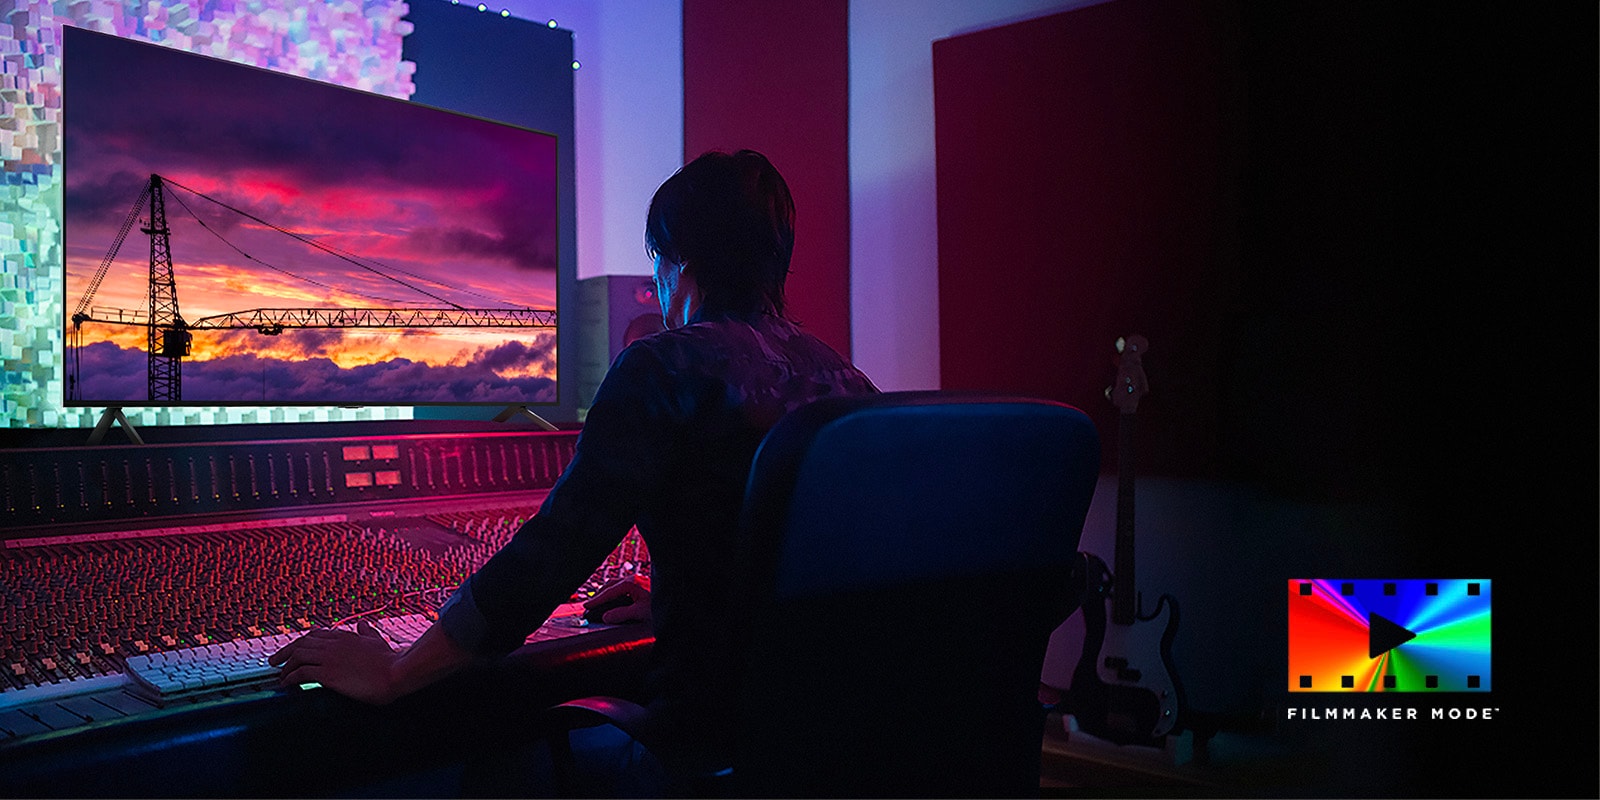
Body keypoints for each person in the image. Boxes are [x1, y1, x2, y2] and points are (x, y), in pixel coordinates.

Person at [269, 148, 878, 787]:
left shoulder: (662, 369)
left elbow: (552, 553)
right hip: (831, 746)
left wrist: (398, 670)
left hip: (704, 748)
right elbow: (816, 563)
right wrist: (689, 598)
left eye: (658, 263)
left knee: (496, 767)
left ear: (681, 267)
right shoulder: (848, 383)